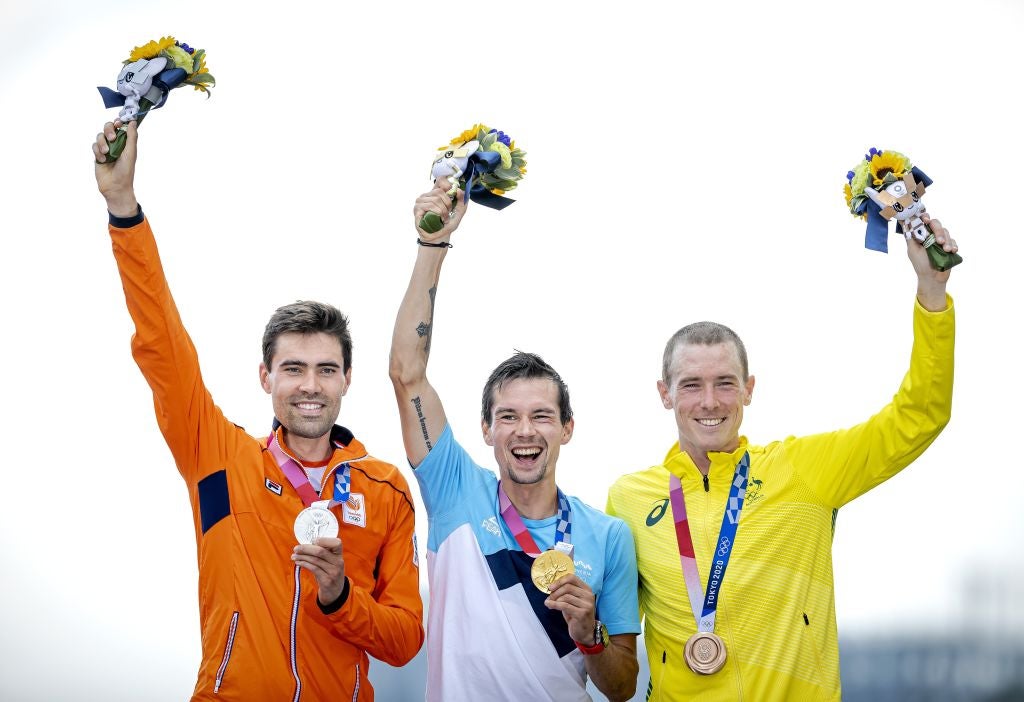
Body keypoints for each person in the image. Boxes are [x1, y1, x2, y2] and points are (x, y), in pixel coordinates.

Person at [93, 120, 423, 701]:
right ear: (266, 376)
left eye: (326, 369)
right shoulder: (216, 456)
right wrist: (124, 209)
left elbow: (404, 640)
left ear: (348, 379)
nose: (310, 386)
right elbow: (162, 343)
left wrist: (340, 597)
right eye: (293, 368)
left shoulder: (386, 489)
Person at [606, 213, 959, 700]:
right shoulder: (628, 499)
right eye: (691, 385)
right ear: (665, 394)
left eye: (725, 383)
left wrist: (932, 291)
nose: (709, 402)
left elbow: (919, 416)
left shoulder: (804, 469)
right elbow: (616, 634)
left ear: (748, 389)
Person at [388, 184, 641, 701]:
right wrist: (432, 245)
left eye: (541, 416)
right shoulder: (454, 489)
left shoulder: (608, 535)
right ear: (486, 429)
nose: (525, 430)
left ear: (567, 428)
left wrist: (589, 634)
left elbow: (622, 688)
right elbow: (406, 374)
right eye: (508, 416)